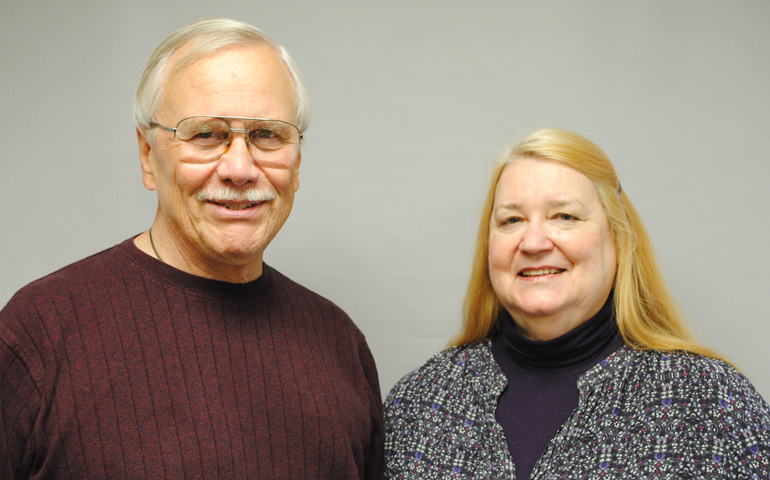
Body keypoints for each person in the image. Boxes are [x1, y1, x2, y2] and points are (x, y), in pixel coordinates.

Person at [0, 18, 383, 479]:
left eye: (267, 135)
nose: (240, 168)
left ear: (296, 162)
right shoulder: (40, 331)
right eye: (205, 134)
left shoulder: (339, 344)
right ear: (147, 155)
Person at [383, 128, 770, 479]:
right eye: (512, 220)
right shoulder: (420, 403)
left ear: (617, 236)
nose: (533, 242)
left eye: (564, 216)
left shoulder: (710, 403)